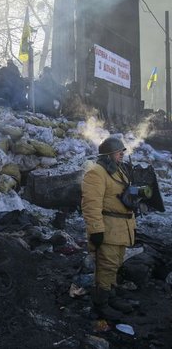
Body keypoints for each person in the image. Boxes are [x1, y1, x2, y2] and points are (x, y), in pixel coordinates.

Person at [81, 136, 136, 320]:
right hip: (108, 228)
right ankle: (101, 304)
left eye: (122, 151)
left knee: (116, 264)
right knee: (106, 266)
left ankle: (111, 297)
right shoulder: (96, 172)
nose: (122, 154)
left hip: (121, 228)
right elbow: (91, 203)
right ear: (108, 154)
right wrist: (96, 230)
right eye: (118, 151)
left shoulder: (118, 170)